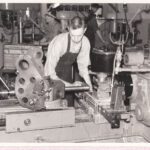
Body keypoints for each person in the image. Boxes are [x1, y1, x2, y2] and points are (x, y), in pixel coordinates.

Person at [44, 16, 93, 106]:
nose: (76, 39)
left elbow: (83, 68)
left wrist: (89, 88)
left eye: (79, 35)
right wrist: (71, 86)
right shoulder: (60, 42)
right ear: (69, 29)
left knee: (68, 105)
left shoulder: (85, 42)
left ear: (84, 30)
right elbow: (49, 73)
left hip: (67, 74)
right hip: (51, 78)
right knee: (54, 105)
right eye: (73, 35)